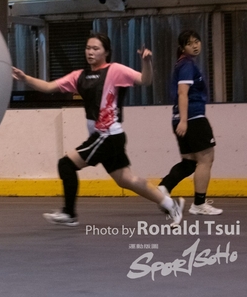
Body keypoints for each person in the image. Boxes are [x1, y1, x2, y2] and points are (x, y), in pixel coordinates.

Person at [11, 32, 184, 227]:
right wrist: (25, 78)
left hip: (107, 135)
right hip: (106, 137)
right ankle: (171, 204)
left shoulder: (115, 70)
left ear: (106, 52)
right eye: (88, 48)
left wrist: (146, 62)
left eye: (95, 48)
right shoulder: (79, 76)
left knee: (66, 164)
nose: (90, 52)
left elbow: (145, 80)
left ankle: (69, 213)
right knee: (126, 180)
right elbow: (48, 87)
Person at [157, 30, 222, 215]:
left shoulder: (183, 64)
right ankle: (199, 204)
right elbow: (182, 93)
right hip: (193, 118)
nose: (195, 46)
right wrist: (184, 121)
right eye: (189, 43)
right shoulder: (186, 65)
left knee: (189, 162)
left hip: (181, 118)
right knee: (206, 159)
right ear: (182, 47)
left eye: (196, 41)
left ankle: (163, 188)